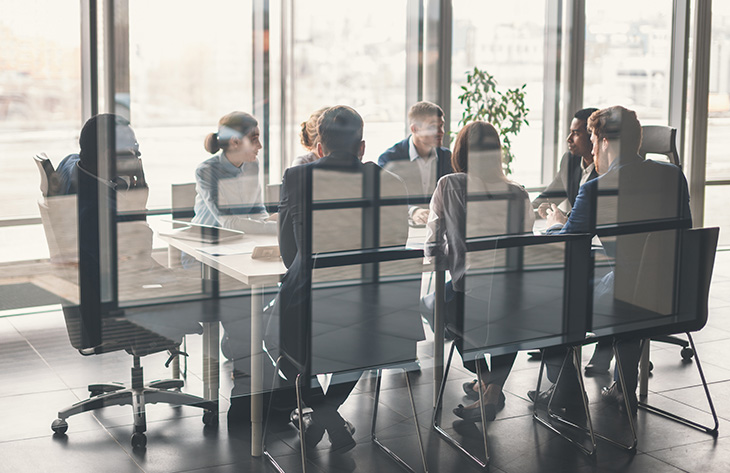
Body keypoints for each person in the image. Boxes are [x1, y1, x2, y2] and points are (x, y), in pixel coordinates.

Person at [533, 106, 691, 415]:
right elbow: (681, 236)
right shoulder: (673, 175)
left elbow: (564, 245)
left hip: (627, 300)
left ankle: (566, 389)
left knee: (549, 296)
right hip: (677, 294)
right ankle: (623, 386)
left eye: (591, 139)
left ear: (605, 141)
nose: (591, 148)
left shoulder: (597, 189)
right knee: (627, 285)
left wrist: (555, 221)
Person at [276, 105, 410, 452]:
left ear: (319, 148)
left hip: (311, 305)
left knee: (276, 343)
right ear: (362, 147)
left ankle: (326, 419)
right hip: (375, 313)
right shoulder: (391, 182)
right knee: (355, 347)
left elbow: (289, 252)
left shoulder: (296, 177)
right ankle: (329, 420)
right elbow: (396, 248)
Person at [424, 121, 534, 422]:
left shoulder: (449, 185)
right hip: (514, 301)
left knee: (438, 304)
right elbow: (523, 247)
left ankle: (485, 380)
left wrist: (456, 259)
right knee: (508, 317)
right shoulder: (519, 194)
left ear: (460, 152)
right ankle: (490, 389)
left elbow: (433, 247)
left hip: (468, 297)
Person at [532, 107, 613, 376]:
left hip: (605, 256)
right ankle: (552, 344)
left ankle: (568, 374)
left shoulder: (606, 177)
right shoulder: (570, 161)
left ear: (598, 139)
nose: (570, 138)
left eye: (577, 133)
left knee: (559, 281)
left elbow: (579, 231)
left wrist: (558, 223)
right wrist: (527, 210)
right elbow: (551, 192)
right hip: (584, 242)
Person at [192, 111, 276, 234]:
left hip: (237, 240)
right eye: (254, 139)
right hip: (205, 243)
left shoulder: (252, 165)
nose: (260, 146)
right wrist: (276, 228)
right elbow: (229, 223)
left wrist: (271, 220)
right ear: (235, 142)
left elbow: (256, 211)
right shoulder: (206, 171)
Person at [378, 100, 452, 226]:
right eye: (433, 127)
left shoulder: (448, 157)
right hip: (403, 227)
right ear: (415, 129)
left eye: (441, 125)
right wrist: (413, 211)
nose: (441, 132)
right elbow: (384, 198)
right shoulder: (390, 159)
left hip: (440, 228)